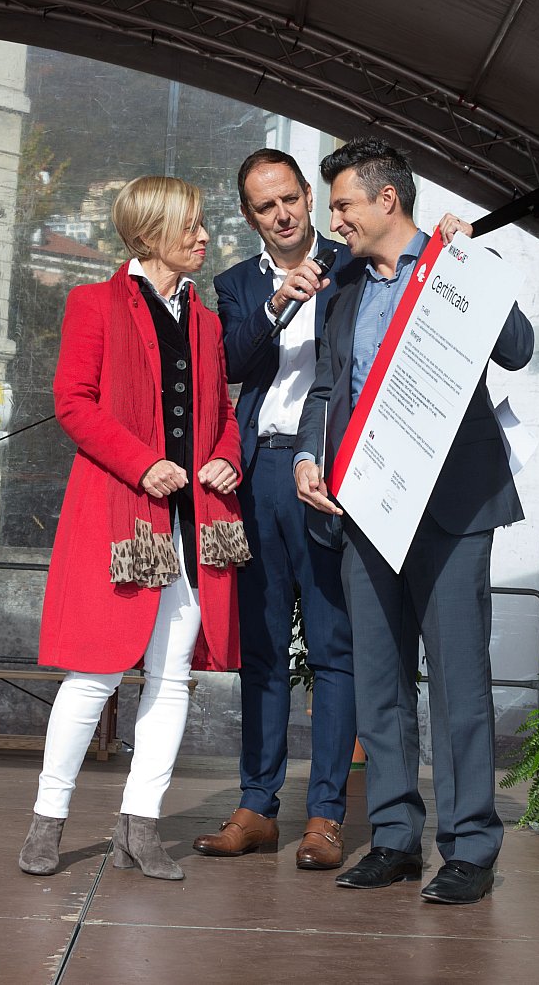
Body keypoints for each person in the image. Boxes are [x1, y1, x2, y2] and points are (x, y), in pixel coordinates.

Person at [294, 137, 534, 905]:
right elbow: (327, 387)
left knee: (459, 678)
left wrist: (473, 266)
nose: (334, 220)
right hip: (365, 502)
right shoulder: (341, 288)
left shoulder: (454, 264)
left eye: (343, 205)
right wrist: (307, 457)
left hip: (454, 505)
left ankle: (469, 846)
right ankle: (395, 837)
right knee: (378, 677)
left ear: (387, 198)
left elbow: (519, 348)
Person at [18, 175, 249, 882]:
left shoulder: (207, 323)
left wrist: (226, 457)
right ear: (150, 233)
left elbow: (223, 414)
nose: (204, 236)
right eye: (190, 225)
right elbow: (73, 401)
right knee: (92, 674)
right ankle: (47, 819)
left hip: (192, 525)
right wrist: (143, 464)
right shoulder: (93, 303)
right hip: (123, 516)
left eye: (203, 223)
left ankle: (138, 826)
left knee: (172, 678)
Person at [194, 149, 355, 870]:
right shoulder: (236, 285)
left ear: (309, 198)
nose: (283, 214)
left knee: (331, 647)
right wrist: (278, 301)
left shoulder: (353, 264)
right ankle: (257, 805)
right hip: (260, 470)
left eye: (291, 198)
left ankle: (326, 815)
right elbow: (232, 362)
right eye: (266, 206)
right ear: (248, 215)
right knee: (260, 647)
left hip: (332, 471)